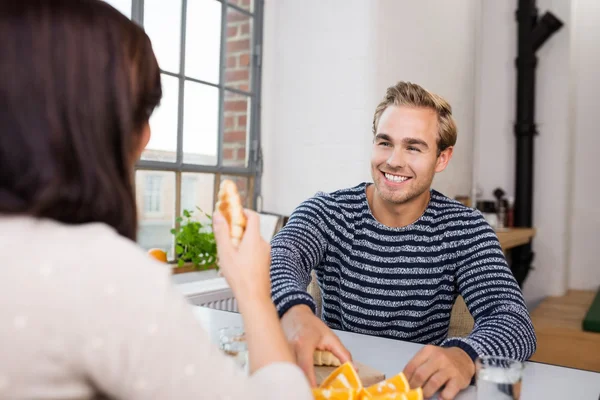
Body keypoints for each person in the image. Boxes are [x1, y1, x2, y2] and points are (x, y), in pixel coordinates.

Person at [0, 1, 311, 399]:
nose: (146, 136)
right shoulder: (101, 274)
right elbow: (291, 248)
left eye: (415, 147)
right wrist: (263, 293)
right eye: (140, 112)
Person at [270, 81, 537, 399]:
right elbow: (280, 256)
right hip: (332, 385)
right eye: (385, 143)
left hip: (418, 389)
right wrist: (294, 312)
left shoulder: (465, 229)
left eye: (413, 147)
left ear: (441, 158)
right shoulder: (327, 211)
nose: (394, 161)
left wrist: (465, 356)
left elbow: (512, 319)